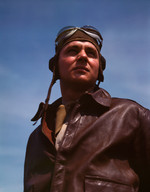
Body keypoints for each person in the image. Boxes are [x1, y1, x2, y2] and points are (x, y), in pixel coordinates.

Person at [24, 26, 150, 192]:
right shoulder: (37, 138)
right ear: (55, 67)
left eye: (91, 53)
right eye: (73, 50)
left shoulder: (132, 116)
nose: (83, 56)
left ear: (99, 69)